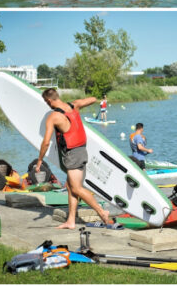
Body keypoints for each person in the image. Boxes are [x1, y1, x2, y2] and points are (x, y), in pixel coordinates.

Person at [34, 88, 117, 229]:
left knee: (77, 188)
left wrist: (40, 160)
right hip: (82, 150)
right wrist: (85, 101)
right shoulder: (74, 105)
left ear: (48, 101)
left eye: (45, 102)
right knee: (71, 187)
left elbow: (46, 142)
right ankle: (71, 221)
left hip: (72, 154)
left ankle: (102, 212)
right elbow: (92, 99)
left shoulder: (53, 116)